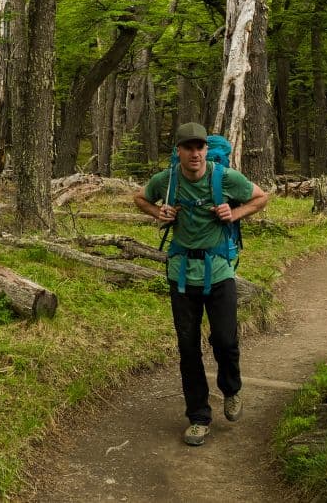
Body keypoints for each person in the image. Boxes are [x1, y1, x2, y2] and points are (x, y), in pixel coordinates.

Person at [133, 122, 269, 446]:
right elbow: (139, 198)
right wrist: (158, 212)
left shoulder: (223, 178)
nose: (195, 153)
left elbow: (261, 197)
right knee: (188, 347)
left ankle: (231, 388)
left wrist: (234, 214)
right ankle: (198, 417)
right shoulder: (167, 181)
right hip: (181, 274)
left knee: (225, 339)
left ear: (207, 150)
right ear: (178, 150)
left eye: (200, 147)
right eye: (188, 147)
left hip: (220, 270)